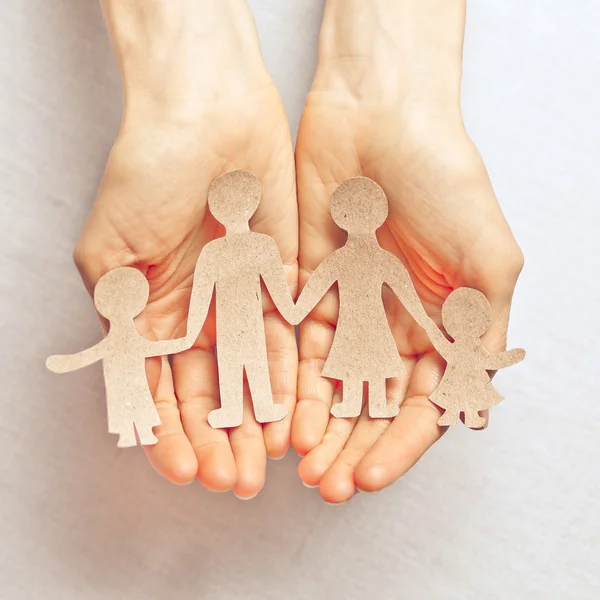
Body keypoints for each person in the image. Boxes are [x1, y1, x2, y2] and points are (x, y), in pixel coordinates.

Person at [74, 0, 523, 502]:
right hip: (241, 321)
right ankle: (253, 401)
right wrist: (186, 89)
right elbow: (214, 296)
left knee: (271, 365)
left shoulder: (286, 253)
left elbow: (290, 291)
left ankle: (280, 398)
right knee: (239, 365)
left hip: (299, 322)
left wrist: (393, 91)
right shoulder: (240, 253)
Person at [292, 177, 433, 419]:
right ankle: (362, 402)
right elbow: (316, 286)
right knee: (363, 355)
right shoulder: (380, 259)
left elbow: (314, 288)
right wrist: (426, 320)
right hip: (362, 322)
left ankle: (364, 402)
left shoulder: (349, 259)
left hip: (358, 322)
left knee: (359, 355)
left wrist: (293, 311)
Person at [183, 170, 296, 429]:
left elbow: (200, 295)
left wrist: (191, 333)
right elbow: (278, 289)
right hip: (247, 317)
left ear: (216, 210)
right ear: (253, 203)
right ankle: (259, 406)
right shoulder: (262, 245)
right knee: (251, 356)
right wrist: (292, 312)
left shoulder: (213, 250)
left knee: (233, 359)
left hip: (232, 320)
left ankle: (239, 408)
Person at [46, 268, 192, 447]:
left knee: (136, 399)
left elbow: (148, 348)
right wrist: (67, 363)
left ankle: (140, 432)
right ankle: (129, 434)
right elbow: (96, 353)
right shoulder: (120, 340)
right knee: (126, 401)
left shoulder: (127, 339)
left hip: (131, 379)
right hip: (119, 381)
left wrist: (183, 343)